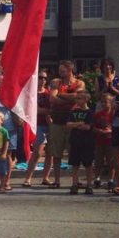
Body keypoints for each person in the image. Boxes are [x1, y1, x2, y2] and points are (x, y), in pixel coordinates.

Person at [46, 60, 86, 188]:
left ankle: (76, 179)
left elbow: (78, 97)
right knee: (56, 153)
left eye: (63, 70)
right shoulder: (55, 82)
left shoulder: (79, 83)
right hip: (57, 121)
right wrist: (69, 98)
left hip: (73, 121)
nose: (60, 72)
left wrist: (61, 96)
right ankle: (57, 180)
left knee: (74, 152)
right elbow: (52, 98)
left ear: (70, 70)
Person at [22, 70, 52, 187]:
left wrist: (45, 111)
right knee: (37, 153)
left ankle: (46, 177)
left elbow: (51, 109)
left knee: (50, 153)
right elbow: (35, 109)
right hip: (38, 124)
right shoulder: (32, 93)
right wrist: (46, 111)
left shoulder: (49, 93)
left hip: (49, 123)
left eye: (44, 78)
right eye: (40, 77)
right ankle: (28, 178)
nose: (42, 80)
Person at [66, 92, 95, 194]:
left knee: (88, 164)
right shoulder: (73, 112)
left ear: (86, 99)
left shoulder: (90, 112)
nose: (77, 100)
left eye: (79, 98)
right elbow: (68, 124)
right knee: (75, 164)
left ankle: (89, 185)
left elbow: (87, 127)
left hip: (87, 142)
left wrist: (75, 125)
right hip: (75, 141)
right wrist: (78, 123)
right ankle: (74, 184)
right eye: (76, 98)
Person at [92, 93, 115, 190]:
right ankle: (97, 178)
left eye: (106, 102)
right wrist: (99, 130)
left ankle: (111, 180)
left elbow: (118, 126)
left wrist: (111, 131)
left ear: (111, 103)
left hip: (110, 140)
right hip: (99, 140)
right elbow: (92, 127)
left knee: (111, 161)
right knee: (98, 160)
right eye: (102, 102)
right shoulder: (97, 114)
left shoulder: (114, 114)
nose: (104, 104)